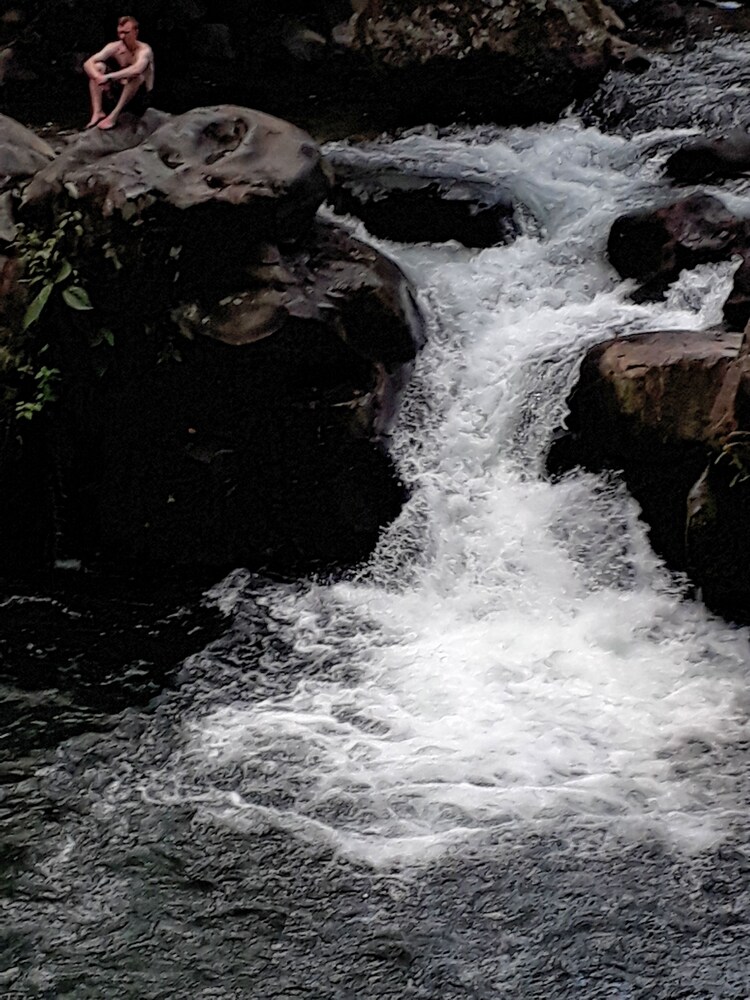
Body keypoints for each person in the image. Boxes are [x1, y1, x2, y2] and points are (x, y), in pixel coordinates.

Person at [83, 16, 154, 130]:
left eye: (126, 33)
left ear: (135, 32)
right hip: (120, 91)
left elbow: (137, 69)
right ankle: (98, 112)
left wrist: (109, 77)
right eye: (120, 33)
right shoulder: (115, 47)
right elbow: (88, 63)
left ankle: (113, 116)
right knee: (98, 67)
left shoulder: (144, 50)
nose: (122, 37)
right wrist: (99, 77)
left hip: (141, 95)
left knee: (136, 76)